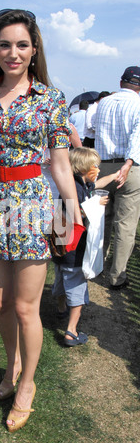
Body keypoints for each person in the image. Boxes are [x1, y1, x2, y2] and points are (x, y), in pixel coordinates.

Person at [0, 9, 84, 432]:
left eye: (22, 44)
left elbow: (62, 167)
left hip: (31, 205)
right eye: (5, 44)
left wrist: (72, 213)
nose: (13, 52)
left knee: (28, 308)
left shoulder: (50, 99)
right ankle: (11, 366)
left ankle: (27, 383)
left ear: (34, 49)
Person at [52, 147, 120, 345]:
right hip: (74, 249)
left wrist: (114, 176)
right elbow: (79, 211)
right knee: (77, 285)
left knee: (60, 277)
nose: (98, 170)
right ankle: (71, 331)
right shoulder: (77, 190)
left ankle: (60, 309)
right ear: (84, 168)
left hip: (60, 248)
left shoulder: (75, 183)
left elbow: (95, 185)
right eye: (95, 167)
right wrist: (97, 203)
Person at [95, 66, 140, 290]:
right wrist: (129, 164)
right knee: (125, 225)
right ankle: (116, 277)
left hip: (102, 166)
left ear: (121, 82)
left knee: (102, 220)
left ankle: (97, 266)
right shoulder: (138, 104)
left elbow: (94, 129)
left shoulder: (104, 102)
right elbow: (137, 138)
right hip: (128, 166)